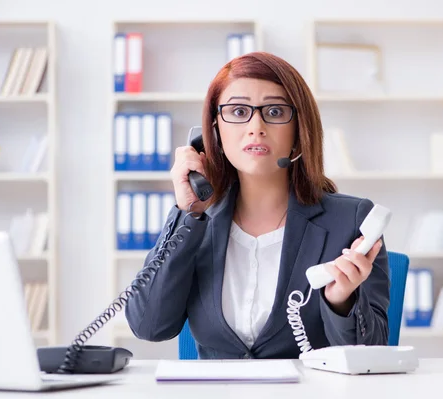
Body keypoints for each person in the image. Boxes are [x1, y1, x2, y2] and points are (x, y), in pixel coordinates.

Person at [125, 51, 390, 360]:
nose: (256, 126)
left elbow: (373, 357)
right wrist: (188, 213)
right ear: (213, 131)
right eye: (238, 111)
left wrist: (342, 302)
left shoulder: (350, 221)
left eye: (275, 111)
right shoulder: (197, 223)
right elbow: (149, 326)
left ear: (299, 129)